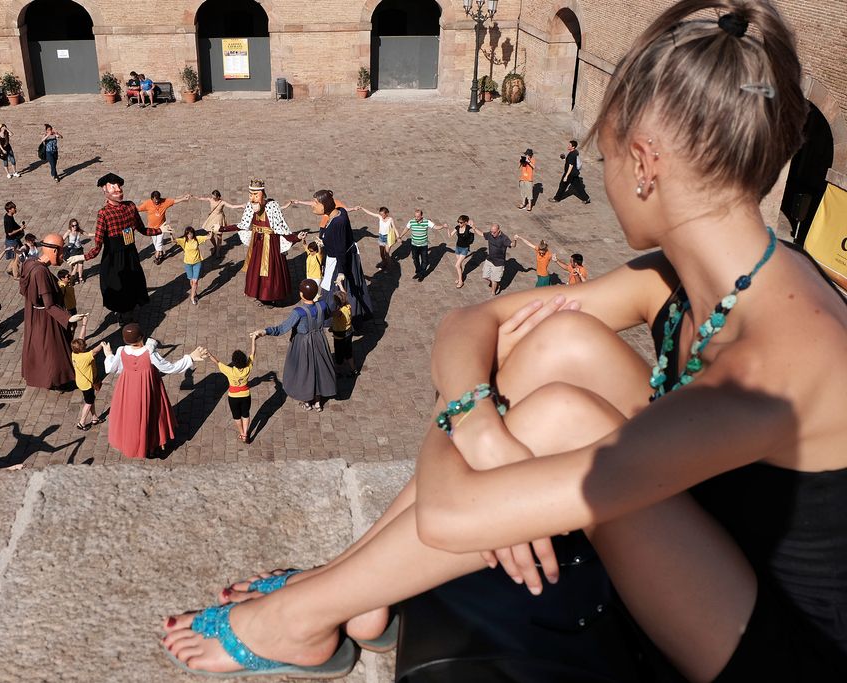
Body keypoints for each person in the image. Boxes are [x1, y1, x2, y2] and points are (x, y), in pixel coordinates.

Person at [163, 3, 847, 681]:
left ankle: (301, 616)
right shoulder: (696, 278)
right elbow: (468, 324)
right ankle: (353, 594)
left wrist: (469, 422)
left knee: (561, 416)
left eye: (604, 153)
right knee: (561, 342)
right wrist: (482, 431)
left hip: (776, 645)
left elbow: (449, 511)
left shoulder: (773, 361)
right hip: (720, 540)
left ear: (643, 163)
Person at [103, 323, 207, 458]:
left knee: (131, 417)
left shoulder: (122, 351)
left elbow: (112, 368)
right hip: (148, 388)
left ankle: (136, 444)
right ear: (142, 337)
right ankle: (153, 446)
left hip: (127, 388)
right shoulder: (149, 353)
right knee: (153, 416)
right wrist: (190, 358)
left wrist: (108, 354)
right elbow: (169, 368)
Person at [76, 173, 163, 322]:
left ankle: (129, 312)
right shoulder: (103, 213)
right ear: (106, 192)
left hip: (130, 254)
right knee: (118, 287)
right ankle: (124, 315)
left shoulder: (130, 206)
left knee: (133, 283)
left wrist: (160, 230)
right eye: (114, 188)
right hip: (114, 258)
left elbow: (142, 229)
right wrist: (82, 257)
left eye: (119, 187)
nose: (118, 190)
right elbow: (98, 244)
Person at [251, 279, 337, 412]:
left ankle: (307, 401)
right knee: (319, 369)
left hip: (303, 344)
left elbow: (282, 329)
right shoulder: (323, 305)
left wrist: (264, 331)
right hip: (320, 340)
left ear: (302, 295)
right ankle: (318, 402)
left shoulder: (298, 312)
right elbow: (326, 315)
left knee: (305, 371)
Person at [222, 179, 305, 306]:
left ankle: (270, 297)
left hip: (271, 243)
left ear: (262, 194)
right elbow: (242, 225)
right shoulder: (250, 206)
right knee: (256, 270)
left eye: (256, 195)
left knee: (271, 271)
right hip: (257, 244)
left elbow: (281, 229)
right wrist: (222, 229)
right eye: (251, 195)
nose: (253, 199)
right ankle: (259, 295)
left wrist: (296, 237)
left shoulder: (272, 206)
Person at [20, 233, 79, 389]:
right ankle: (54, 379)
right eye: (61, 252)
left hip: (34, 315)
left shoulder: (30, 262)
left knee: (39, 347)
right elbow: (49, 305)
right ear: (53, 251)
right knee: (51, 350)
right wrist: (68, 318)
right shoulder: (40, 273)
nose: (62, 256)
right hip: (45, 318)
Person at [312, 190, 373, 319]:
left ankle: (342, 318)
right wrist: (324, 242)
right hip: (340, 257)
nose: (313, 205)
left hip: (340, 262)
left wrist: (341, 272)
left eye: (316, 203)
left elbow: (340, 249)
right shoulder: (340, 212)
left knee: (339, 291)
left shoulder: (338, 222)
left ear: (325, 204)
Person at [205, 334, 257, 443]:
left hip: (233, 397)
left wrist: (209, 354)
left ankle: (242, 433)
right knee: (245, 414)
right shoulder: (248, 368)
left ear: (234, 362)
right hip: (245, 395)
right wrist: (253, 339)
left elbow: (217, 362)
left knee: (236, 416)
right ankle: (246, 433)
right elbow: (253, 353)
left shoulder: (229, 371)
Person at [137, 191, 190, 265]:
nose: (156, 201)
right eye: (155, 200)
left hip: (162, 227)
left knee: (159, 243)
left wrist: (183, 198)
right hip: (151, 228)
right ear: (151, 199)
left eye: (158, 200)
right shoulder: (147, 203)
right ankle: (161, 254)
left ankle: (157, 258)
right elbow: (138, 209)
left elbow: (174, 201)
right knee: (155, 243)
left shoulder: (164, 201)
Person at [70, 314, 104, 431]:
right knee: (88, 402)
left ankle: (94, 418)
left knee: (91, 399)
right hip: (87, 384)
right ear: (83, 348)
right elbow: (95, 352)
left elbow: (81, 338)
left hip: (81, 381)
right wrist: (102, 345)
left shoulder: (74, 353)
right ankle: (82, 422)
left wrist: (84, 324)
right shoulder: (85, 357)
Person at [470, 222, 516, 296]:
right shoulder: (490, 234)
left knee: (494, 280)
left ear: (498, 231)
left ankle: (493, 292)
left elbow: (512, 245)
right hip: (489, 259)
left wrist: (515, 240)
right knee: (485, 276)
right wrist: (474, 227)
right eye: (491, 231)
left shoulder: (504, 238)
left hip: (499, 263)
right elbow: (482, 234)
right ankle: (495, 282)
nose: (492, 234)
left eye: (494, 232)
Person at [170, 226, 212, 305]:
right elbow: (173, 241)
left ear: (193, 233)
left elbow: (209, 237)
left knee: (195, 281)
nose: (190, 235)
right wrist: (170, 234)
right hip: (188, 264)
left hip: (197, 263)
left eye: (191, 233)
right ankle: (194, 293)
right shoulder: (183, 241)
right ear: (186, 234)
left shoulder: (197, 239)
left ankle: (192, 297)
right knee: (191, 281)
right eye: (188, 234)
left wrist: (211, 231)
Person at [400, 209, 445, 281]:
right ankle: (418, 271)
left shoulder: (427, 222)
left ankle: (421, 274)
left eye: (418, 216)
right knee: (415, 259)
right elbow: (406, 229)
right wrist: (400, 236)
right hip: (414, 245)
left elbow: (435, 227)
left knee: (425, 260)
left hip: (423, 245)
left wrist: (443, 226)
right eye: (415, 216)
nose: (416, 218)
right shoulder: (411, 221)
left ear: (421, 216)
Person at [330, 275, 358, 376]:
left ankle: (337, 371)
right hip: (349, 332)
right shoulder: (348, 306)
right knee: (349, 353)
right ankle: (353, 369)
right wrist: (340, 285)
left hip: (339, 336)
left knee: (339, 355)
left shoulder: (339, 312)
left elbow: (330, 314)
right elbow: (344, 294)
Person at [354, 205, 397, 270]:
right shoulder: (379, 217)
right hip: (381, 237)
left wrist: (398, 236)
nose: (382, 216)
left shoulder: (390, 220)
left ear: (386, 213)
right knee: (382, 254)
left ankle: (390, 267)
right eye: (381, 214)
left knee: (387, 254)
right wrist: (362, 208)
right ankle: (384, 263)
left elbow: (394, 228)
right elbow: (370, 213)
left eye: (383, 214)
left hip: (387, 238)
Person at [550, 139, 591, 204]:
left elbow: (571, 166)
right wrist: (564, 158)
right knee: (578, 187)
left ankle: (556, 199)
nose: (568, 146)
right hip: (574, 174)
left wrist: (566, 176)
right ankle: (586, 199)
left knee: (562, 186)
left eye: (570, 145)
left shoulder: (572, 155)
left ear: (573, 147)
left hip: (570, 174)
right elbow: (571, 162)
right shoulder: (575, 152)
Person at [196, 190, 230, 258]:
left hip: (219, 218)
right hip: (212, 218)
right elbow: (201, 198)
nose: (213, 199)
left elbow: (231, 206)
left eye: (214, 198)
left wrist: (241, 206)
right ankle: (215, 246)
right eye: (212, 197)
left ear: (218, 197)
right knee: (210, 236)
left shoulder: (222, 202)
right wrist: (193, 196)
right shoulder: (210, 199)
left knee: (219, 236)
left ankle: (217, 251)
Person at [447, 215, 476, 289]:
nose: (459, 224)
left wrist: (473, 225)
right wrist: (447, 228)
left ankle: (460, 281)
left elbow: (475, 231)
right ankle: (460, 277)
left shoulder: (469, 229)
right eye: (458, 222)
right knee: (459, 265)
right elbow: (450, 236)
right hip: (458, 248)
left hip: (464, 249)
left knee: (457, 265)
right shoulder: (457, 227)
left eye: (461, 222)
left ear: (465, 223)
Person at [3, 202, 26, 268]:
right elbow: (9, 233)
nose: (15, 209)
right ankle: (15, 275)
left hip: (14, 239)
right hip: (12, 241)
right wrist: (20, 229)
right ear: (9, 209)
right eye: (14, 208)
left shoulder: (9, 216)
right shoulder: (8, 220)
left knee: (15, 258)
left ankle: (9, 270)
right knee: (16, 259)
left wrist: (19, 227)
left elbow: (14, 224)